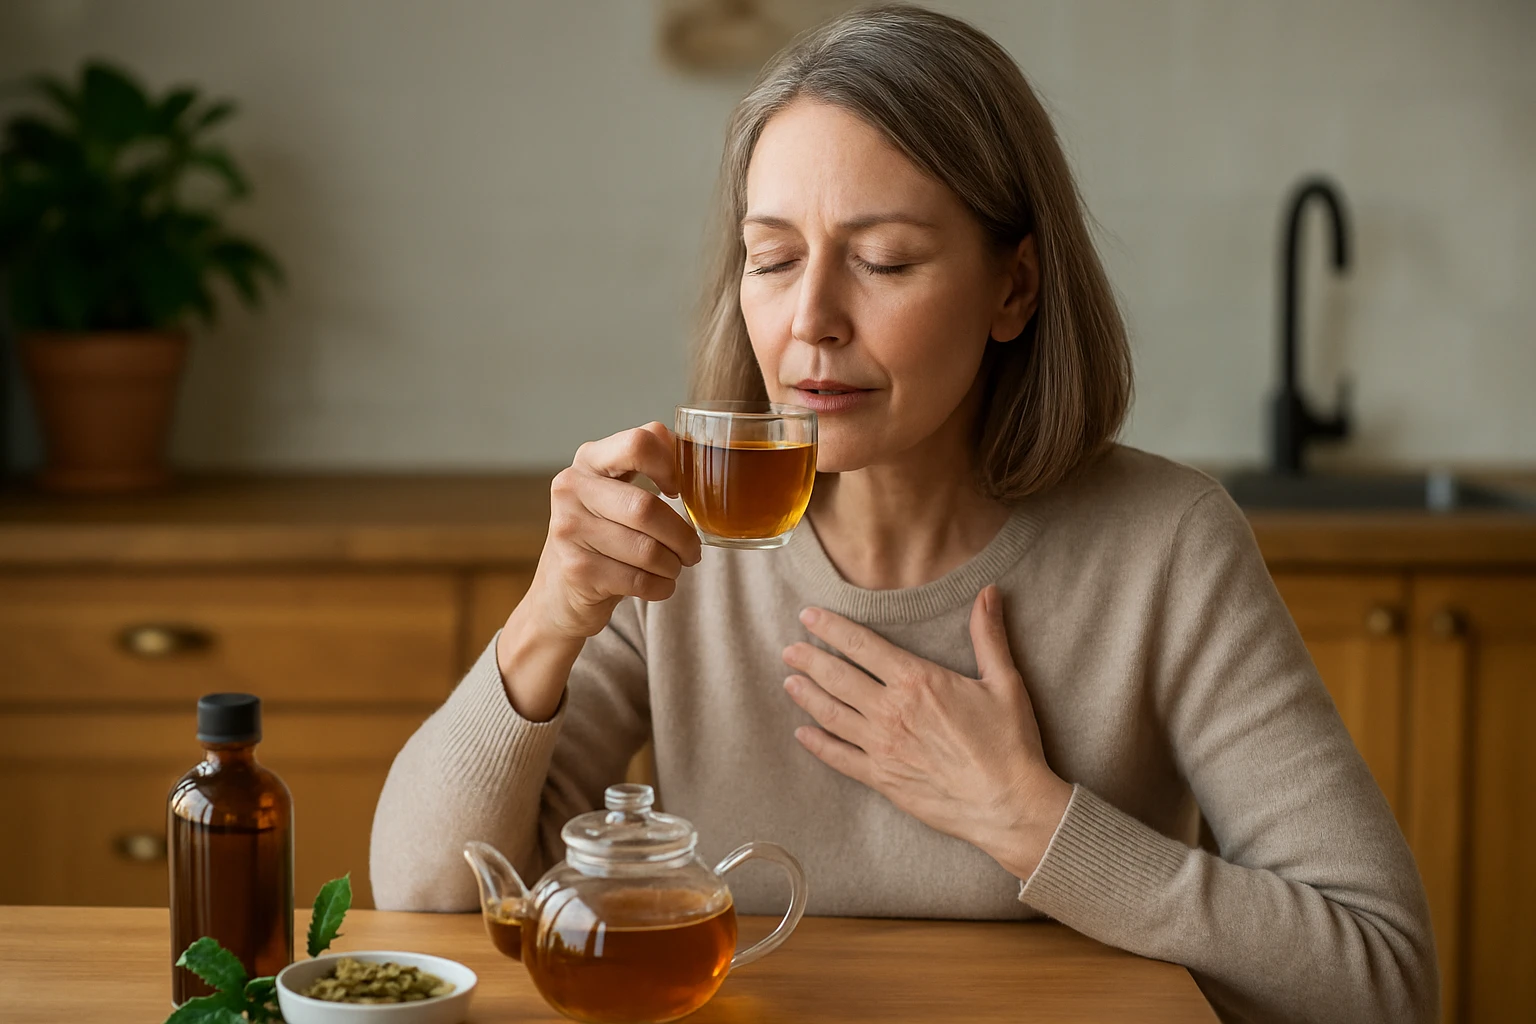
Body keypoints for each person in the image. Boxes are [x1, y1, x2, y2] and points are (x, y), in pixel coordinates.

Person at [370, 6, 1435, 1022]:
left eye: (883, 261)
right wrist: (545, 619)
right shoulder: (687, 538)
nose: (811, 320)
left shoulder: (1167, 544)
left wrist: (1033, 822)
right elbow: (419, 897)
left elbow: (1383, 983)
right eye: (774, 258)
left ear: (1014, 289)